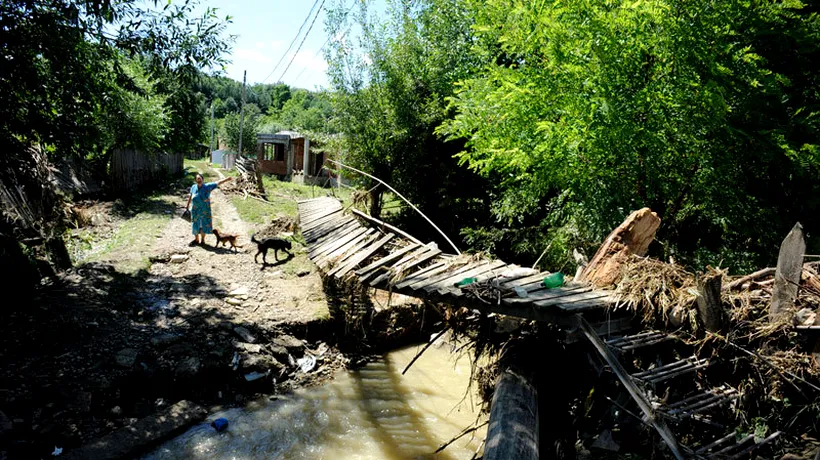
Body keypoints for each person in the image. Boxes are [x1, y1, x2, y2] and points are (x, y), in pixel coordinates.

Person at [185, 174, 232, 245]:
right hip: (195, 210)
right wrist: (187, 205)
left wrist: (227, 179)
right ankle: (196, 239)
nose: (199, 180)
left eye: (200, 178)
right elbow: (190, 196)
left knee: (204, 224)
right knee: (195, 224)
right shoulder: (193, 187)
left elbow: (217, 182)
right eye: (197, 179)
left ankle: (203, 240)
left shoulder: (207, 186)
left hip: (205, 210)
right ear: (195, 180)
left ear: (202, 179)